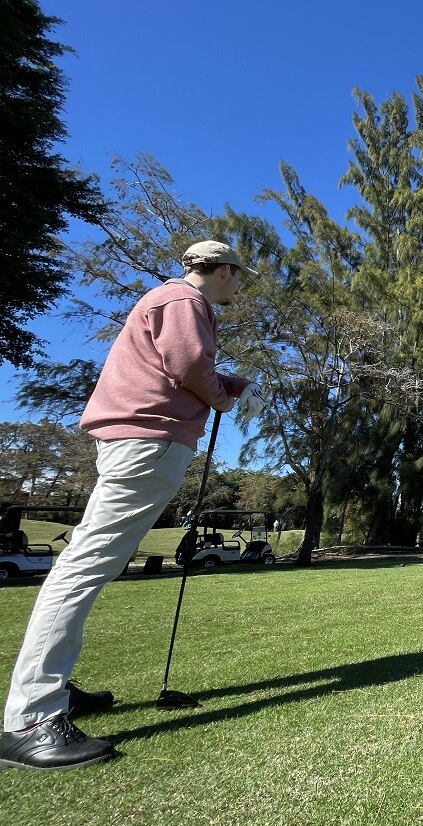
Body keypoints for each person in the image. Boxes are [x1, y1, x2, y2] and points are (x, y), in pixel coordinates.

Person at [0, 240, 263, 771]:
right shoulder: (183, 303)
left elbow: (184, 368)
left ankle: (50, 692)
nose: (240, 285)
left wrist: (230, 385)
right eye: (239, 275)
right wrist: (225, 394)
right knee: (84, 567)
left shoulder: (174, 305)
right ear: (221, 270)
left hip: (143, 442)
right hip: (148, 443)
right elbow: (189, 364)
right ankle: (30, 717)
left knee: (93, 563)